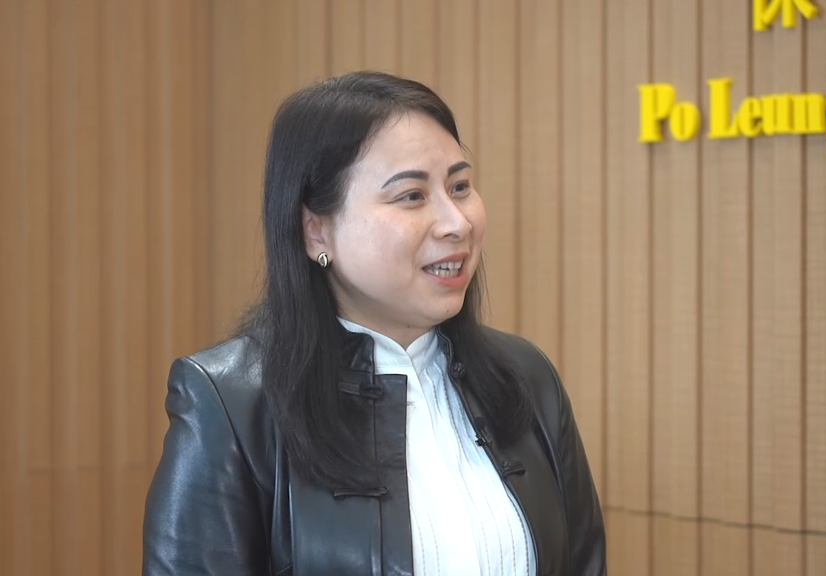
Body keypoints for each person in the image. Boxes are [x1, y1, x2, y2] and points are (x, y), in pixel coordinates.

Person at [143, 71, 606, 576]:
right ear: (316, 232)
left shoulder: (527, 377)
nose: (457, 223)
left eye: (459, 186)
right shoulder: (230, 406)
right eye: (412, 196)